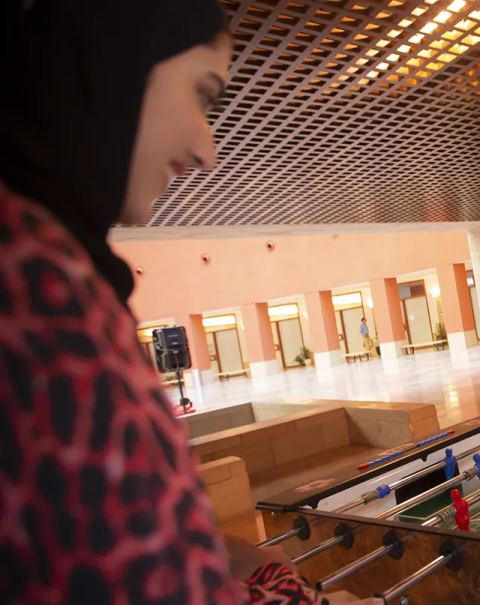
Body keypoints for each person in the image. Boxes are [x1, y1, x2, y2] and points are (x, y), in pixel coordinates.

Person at [0, 1, 323, 602]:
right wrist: (282, 580)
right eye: (201, 95)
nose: (208, 152)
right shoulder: (41, 294)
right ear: (108, 62)